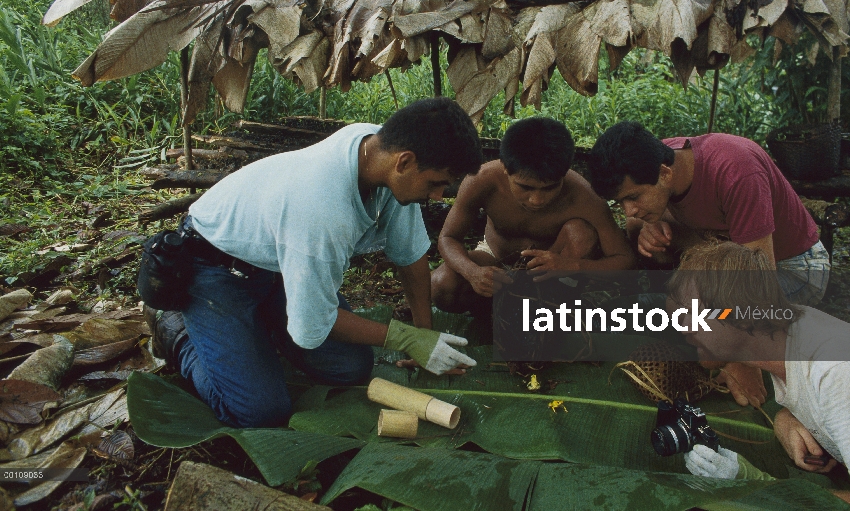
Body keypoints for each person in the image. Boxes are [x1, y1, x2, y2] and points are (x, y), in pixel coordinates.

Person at [143, 98, 484, 428]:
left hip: (276, 263)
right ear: (405, 162)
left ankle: (257, 325)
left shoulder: (381, 149)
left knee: (349, 366)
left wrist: (423, 335)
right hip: (215, 270)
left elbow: (410, 257)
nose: (438, 196)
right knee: (259, 410)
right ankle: (176, 331)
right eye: (436, 185)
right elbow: (312, 329)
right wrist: (406, 339)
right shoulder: (322, 210)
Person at [670, 242, 850, 511]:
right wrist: (785, 418)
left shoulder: (839, 372)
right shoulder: (790, 337)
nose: (681, 326)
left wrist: (761, 489)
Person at [588, 121, 830, 307]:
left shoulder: (736, 172)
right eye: (620, 202)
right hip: (728, 249)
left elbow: (757, 279)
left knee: (714, 311)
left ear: (664, 174)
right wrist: (650, 226)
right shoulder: (658, 155)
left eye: (633, 198)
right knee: (637, 229)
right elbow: (634, 219)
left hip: (792, 266)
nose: (629, 210)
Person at [432, 116, 635, 318]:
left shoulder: (585, 197)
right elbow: (448, 238)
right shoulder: (482, 180)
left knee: (579, 233)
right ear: (505, 168)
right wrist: (472, 272)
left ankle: (550, 309)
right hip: (495, 257)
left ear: (564, 173)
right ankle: (494, 312)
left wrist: (572, 266)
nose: (536, 200)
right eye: (525, 187)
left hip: (554, 277)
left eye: (550, 188)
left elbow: (625, 260)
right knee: (442, 284)